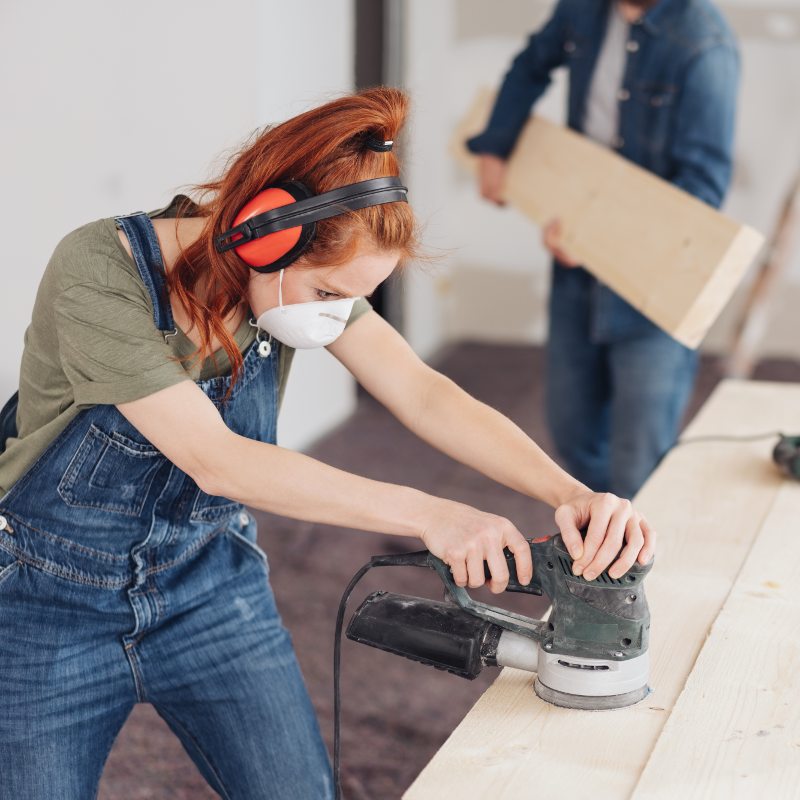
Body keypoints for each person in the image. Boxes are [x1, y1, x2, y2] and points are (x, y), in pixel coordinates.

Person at [0, 88, 654, 799]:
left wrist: (572, 493)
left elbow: (424, 392)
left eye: (351, 299)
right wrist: (433, 514)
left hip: (210, 584)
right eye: (326, 294)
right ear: (260, 236)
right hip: (49, 606)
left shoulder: (298, 280)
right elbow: (217, 461)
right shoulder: (102, 270)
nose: (334, 316)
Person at [467, 0, 739, 498]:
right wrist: (495, 145)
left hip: (654, 281)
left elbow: (701, 190)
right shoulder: (585, 9)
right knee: (570, 432)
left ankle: (636, 563)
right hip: (576, 268)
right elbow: (531, 64)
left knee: (641, 458)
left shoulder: (705, 45)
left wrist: (604, 240)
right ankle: (602, 549)